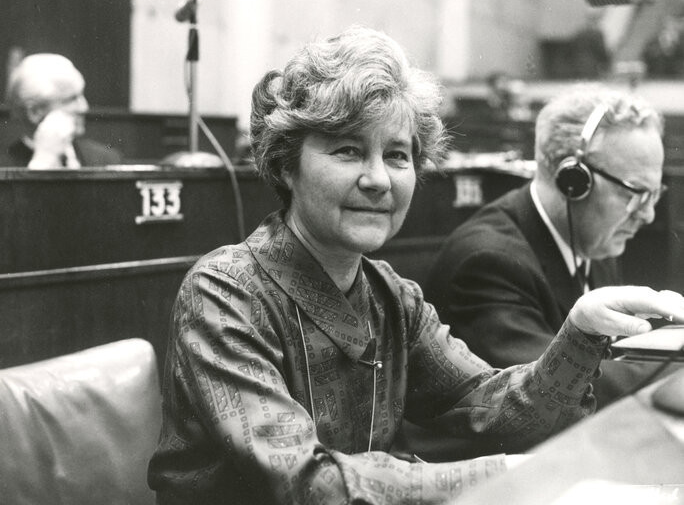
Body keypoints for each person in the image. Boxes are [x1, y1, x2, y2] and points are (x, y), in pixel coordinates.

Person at [147, 27, 684, 504]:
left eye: (398, 155)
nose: (379, 179)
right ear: (287, 165)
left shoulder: (391, 297)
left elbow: (491, 407)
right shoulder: (223, 293)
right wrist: (502, 474)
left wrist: (581, 330)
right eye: (348, 151)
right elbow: (309, 485)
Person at [424, 84, 679, 411]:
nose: (648, 215)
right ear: (573, 181)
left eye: (654, 195)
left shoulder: (592, 243)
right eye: (635, 194)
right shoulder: (487, 262)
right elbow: (558, 390)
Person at [2, 53, 122, 168]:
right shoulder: (4, 166)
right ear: (34, 112)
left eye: (81, 96)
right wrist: (43, 161)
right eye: (71, 99)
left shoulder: (107, 159)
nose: (84, 107)